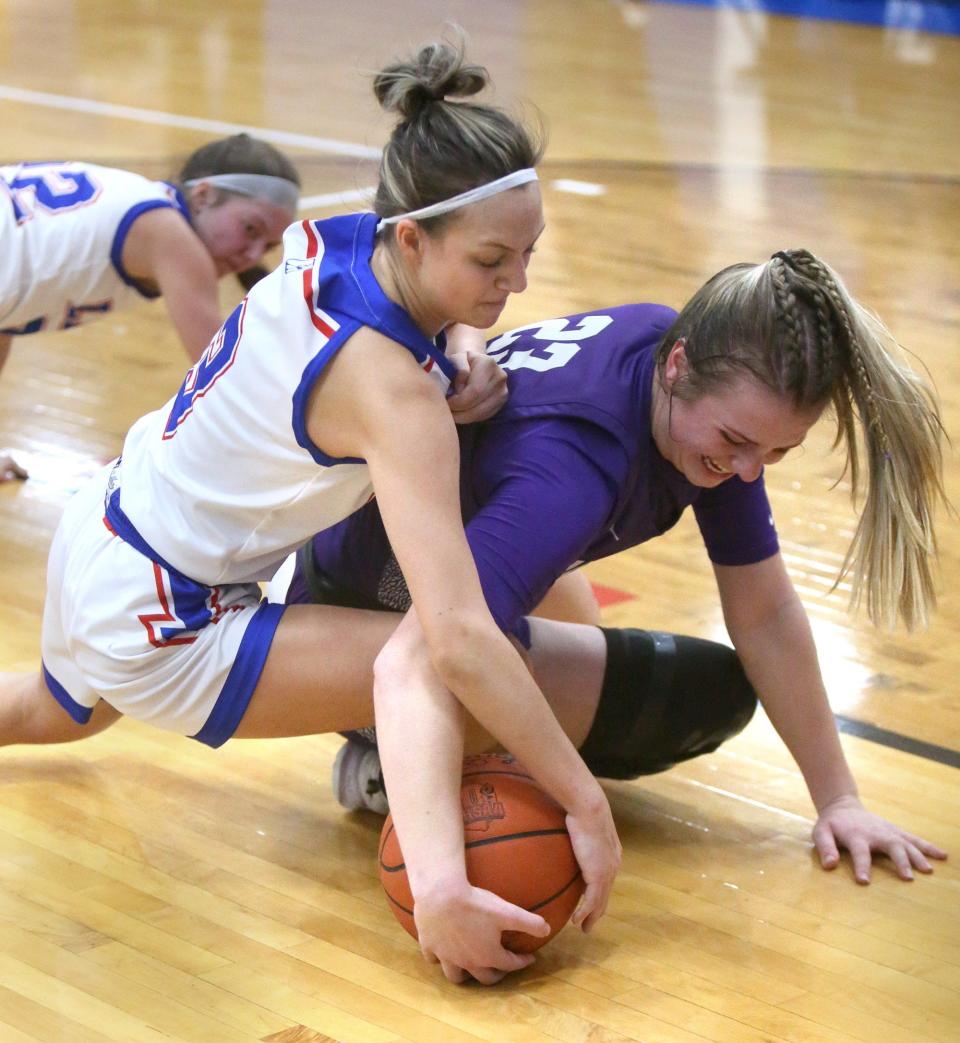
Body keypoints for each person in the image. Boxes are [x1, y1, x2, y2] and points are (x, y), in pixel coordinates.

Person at [0, 39, 622, 986]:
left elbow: (402, 325)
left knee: (58, 710)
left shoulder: (331, 236)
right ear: (413, 239)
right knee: (450, 670)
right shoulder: (397, 403)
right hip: (167, 615)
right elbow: (454, 638)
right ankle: (431, 857)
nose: (520, 284)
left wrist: (454, 347)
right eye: (493, 259)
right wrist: (582, 801)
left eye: (529, 253)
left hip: (112, 522)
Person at [284, 248, 949, 897]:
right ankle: (386, 767)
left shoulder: (685, 355)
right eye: (737, 443)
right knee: (620, 693)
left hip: (403, 566)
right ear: (678, 368)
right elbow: (420, 657)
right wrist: (448, 885)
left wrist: (839, 798)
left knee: (686, 678)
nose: (749, 470)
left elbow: (766, 613)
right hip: (348, 614)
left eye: (779, 450)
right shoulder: (575, 466)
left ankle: (449, 752)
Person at [0, 132, 301, 480]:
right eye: (250, 229)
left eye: (266, 247)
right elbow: (221, 380)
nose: (251, 255)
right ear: (203, 196)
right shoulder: (168, 236)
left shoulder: (148, 211)